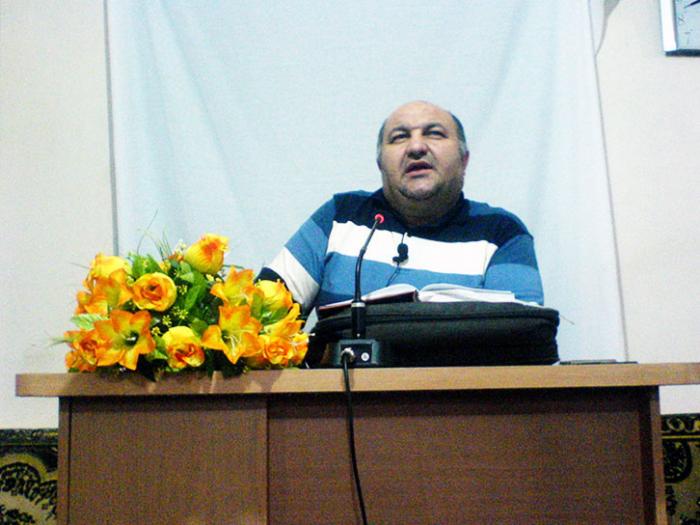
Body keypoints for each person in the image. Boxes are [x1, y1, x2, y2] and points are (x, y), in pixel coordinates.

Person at [258, 101, 543, 314]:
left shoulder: (501, 233)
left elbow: (524, 340)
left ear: (464, 160)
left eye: (434, 133)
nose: (416, 147)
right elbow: (260, 317)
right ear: (380, 163)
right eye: (399, 137)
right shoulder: (340, 216)